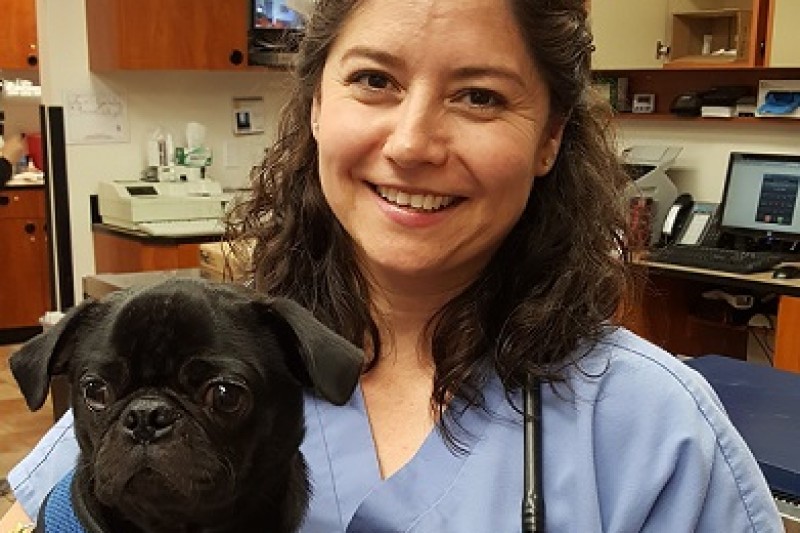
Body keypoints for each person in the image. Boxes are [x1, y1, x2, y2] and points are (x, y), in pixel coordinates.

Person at [3, 0, 783, 531]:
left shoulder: (654, 431)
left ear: (550, 136)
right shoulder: (216, 344)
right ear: (317, 106)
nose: (412, 143)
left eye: (479, 96)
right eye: (374, 80)